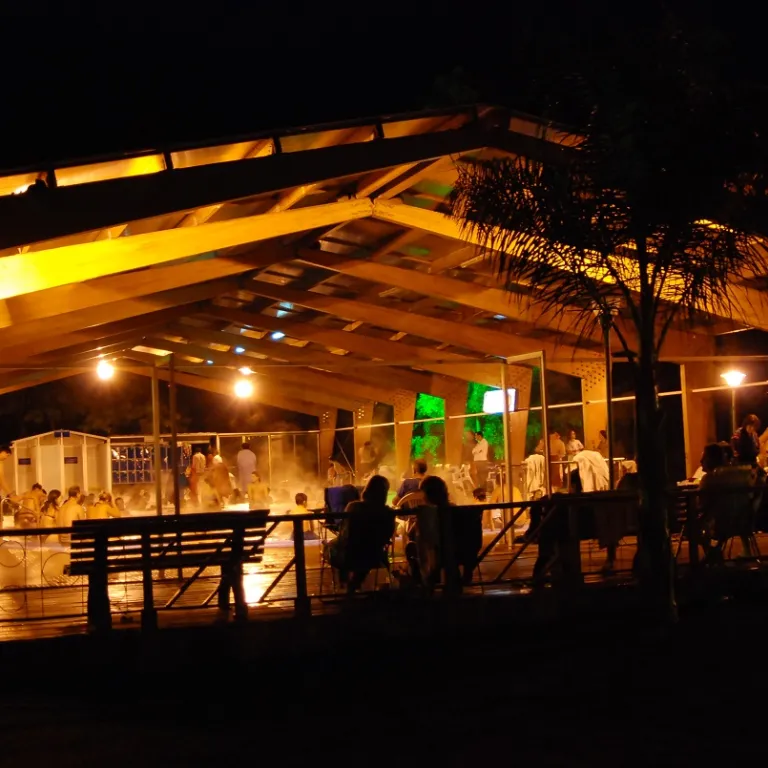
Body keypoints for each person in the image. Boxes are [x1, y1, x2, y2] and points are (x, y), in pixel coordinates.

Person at [326, 475, 394, 592]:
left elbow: (344, 535)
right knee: (365, 550)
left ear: (367, 490)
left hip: (349, 556)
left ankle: (344, 584)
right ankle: (353, 584)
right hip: (374, 556)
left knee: (333, 546)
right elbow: (387, 535)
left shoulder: (353, 507)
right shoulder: (388, 512)